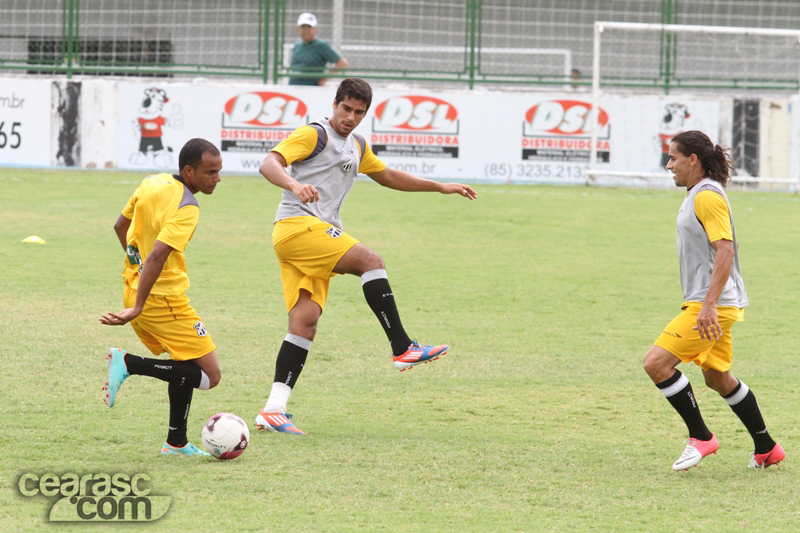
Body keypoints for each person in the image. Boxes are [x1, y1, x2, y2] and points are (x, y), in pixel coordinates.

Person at [255, 78, 477, 434]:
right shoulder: (314, 134)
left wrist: (440, 186)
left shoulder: (357, 144)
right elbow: (269, 163)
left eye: (359, 112)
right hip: (297, 228)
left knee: (305, 323)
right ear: (335, 104)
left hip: (311, 236)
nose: (350, 117)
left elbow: (386, 174)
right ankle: (402, 347)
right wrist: (295, 185)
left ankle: (273, 409)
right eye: (346, 109)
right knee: (370, 261)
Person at [643, 130, 785, 471]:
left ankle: (701, 437)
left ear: (693, 160)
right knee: (718, 378)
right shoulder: (697, 193)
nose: (668, 165)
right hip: (716, 302)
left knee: (656, 364)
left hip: (712, 305)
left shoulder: (707, 196)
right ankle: (766, 447)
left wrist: (707, 305)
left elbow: (726, 249)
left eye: (674, 158)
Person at [100, 138, 223, 456]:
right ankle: (129, 364)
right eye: (211, 172)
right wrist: (139, 306)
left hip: (135, 286)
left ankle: (176, 442)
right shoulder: (188, 206)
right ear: (189, 171)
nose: (217, 179)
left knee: (183, 363)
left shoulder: (151, 182)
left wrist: (135, 271)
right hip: (162, 298)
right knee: (210, 375)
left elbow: (120, 226)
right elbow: (157, 255)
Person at [288, 12, 348, 86]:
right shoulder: (297, 45)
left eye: (309, 27)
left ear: (315, 29)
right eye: (303, 27)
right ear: (298, 29)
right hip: (293, 87)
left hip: (312, 88)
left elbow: (342, 63)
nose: (306, 30)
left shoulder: (321, 45)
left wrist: (325, 78)